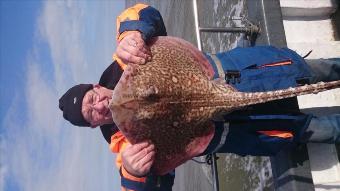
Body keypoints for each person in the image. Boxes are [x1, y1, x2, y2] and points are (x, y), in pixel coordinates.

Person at [58, 3, 340, 191]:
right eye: (91, 114)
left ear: (95, 86)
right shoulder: (125, 148)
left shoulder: (126, 59)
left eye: (91, 99)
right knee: (317, 129)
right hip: (250, 130)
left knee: (314, 70)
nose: (100, 106)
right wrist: (134, 174)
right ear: (95, 126)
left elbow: (145, 14)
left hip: (244, 72)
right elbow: (155, 185)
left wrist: (132, 34)